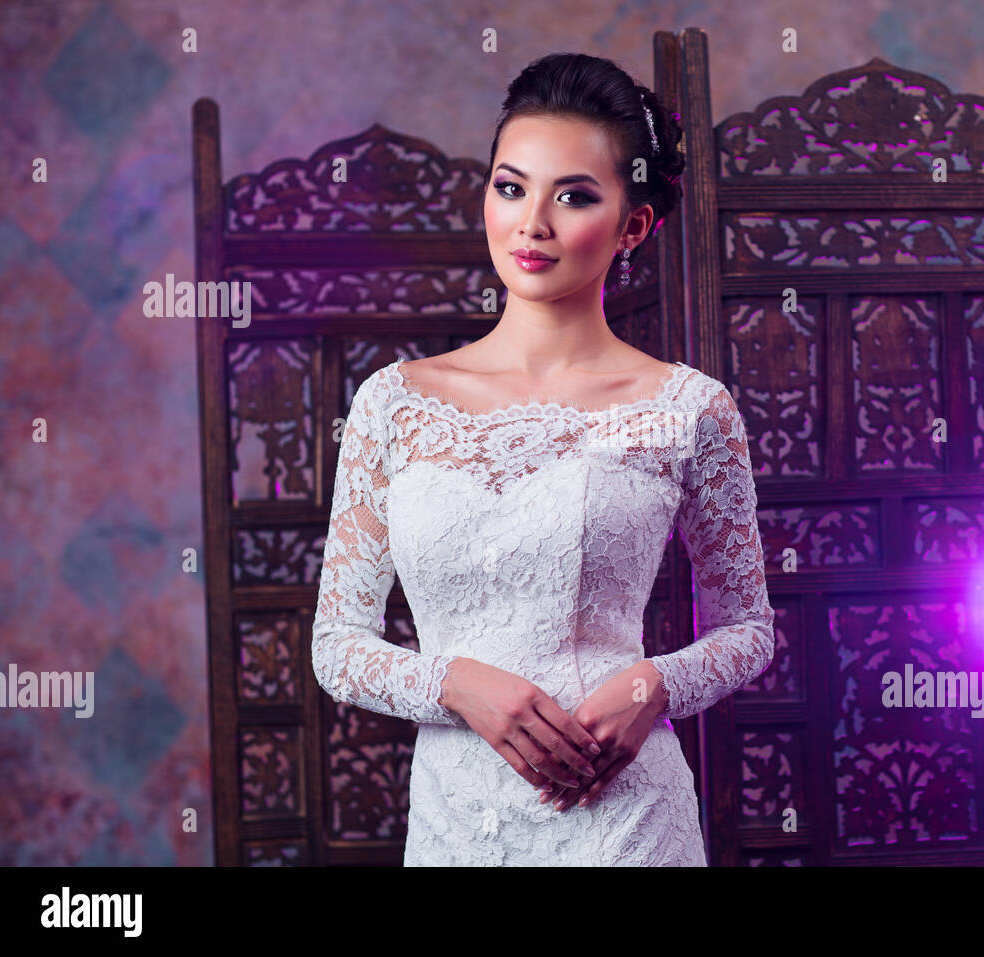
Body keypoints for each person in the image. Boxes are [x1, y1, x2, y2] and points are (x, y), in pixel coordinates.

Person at [311, 52, 775, 865]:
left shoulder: (689, 408)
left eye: (575, 196)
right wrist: (456, 683)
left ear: (634, 225)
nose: (533, 222)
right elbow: (336, 643)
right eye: (511, 186)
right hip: (457, 822)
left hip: (626, 817)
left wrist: (650, 687)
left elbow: (748, 629)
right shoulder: (394, 402)